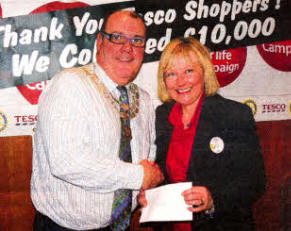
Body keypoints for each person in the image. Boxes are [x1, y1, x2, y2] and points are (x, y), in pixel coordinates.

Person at [30, 10, 163, 231]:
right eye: (117, 37)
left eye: (137, 40)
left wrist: (144, 186)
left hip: (119, 225)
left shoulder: (144, 99)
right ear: (100, 42)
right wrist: (139, 176)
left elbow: (146, 154)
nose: (127, 48)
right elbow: (66, 161)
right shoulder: (70, 85)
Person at [138, 37, 265, 231]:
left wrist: (212, 198)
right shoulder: (163, 115)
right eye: (171, 74)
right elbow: (165, 172)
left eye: (189, 71)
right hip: (173, 226)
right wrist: (150, 192)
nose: (180, 81)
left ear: (204, 72)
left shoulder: (234, 115)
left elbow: (254, 181)